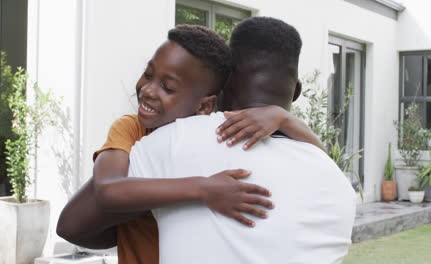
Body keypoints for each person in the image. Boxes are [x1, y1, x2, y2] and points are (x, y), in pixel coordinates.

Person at [57, 24, 324, 263]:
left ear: (206, 104)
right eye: (148, 74)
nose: (148, 90)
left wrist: (285, 120)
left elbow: (322, 164)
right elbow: (103, 196)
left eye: (168, 88)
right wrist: (201, 190)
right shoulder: (131, 129)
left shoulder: (213, 141)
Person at [128, 17, 356, 263]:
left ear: (224, 83)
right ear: (297, 92)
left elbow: (85, 222)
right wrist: (287, 120)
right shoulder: (338, 183)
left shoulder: (171, 142)